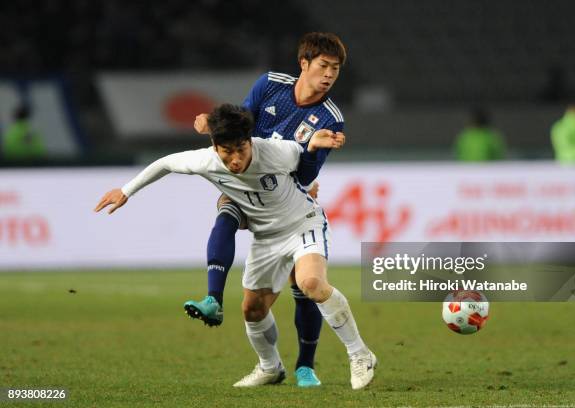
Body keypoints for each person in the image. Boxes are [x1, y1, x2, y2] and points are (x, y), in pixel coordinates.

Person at [94, 104, 376, 390]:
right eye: (227, 151)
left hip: (302, 223)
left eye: (241, 148)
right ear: (215, 147)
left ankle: (360, 354)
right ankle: (270, 368)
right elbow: (165, 164)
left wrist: (312, 172)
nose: (236, 158)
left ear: (250, 140)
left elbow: (304, 165)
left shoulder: (275, 150)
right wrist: (126, 190)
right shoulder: (206, 161)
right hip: (266, 238)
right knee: (252, 310)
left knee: (311, 283)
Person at [188, 32, 346, 387]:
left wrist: (312, 151)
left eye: (335, 69)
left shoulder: (331, 118)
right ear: (304, 63)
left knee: (303, 284)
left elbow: (306, 173)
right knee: (225, 211)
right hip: (246, 182)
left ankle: (306, 366)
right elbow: (240, 124)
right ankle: (213, 298)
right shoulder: (270, 85)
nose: (329, 75)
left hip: (287, 197)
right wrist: (211, 126)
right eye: (323, 66)